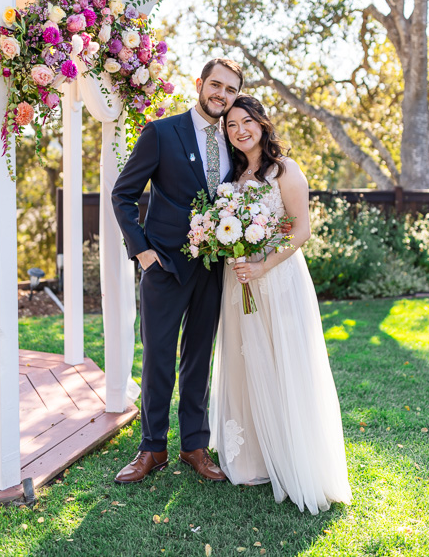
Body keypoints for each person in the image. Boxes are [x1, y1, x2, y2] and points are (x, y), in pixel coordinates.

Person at [209, 95, 352, 513]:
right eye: (231, 125)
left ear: (261, 122)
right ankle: (252, 456)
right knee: (245, 360)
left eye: (246, 122)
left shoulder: (284, 170)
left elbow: (301, 229)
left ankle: (293, 456)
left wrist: (262, 267)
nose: (240, 130)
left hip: (278, 278)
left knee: (284, 360)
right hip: (239, 282)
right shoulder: (232, 175)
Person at [112, 58, 243, 483]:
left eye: (230, 90)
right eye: (216, 85)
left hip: (212, 271)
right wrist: (143, 253)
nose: (221, 94)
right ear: (200, 84)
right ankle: (152, 449)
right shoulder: (161, 132)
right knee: (158, 361)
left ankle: (194, 447)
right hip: (164, 267)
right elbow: (123, 194)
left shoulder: (236, 143)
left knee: (199, 359)